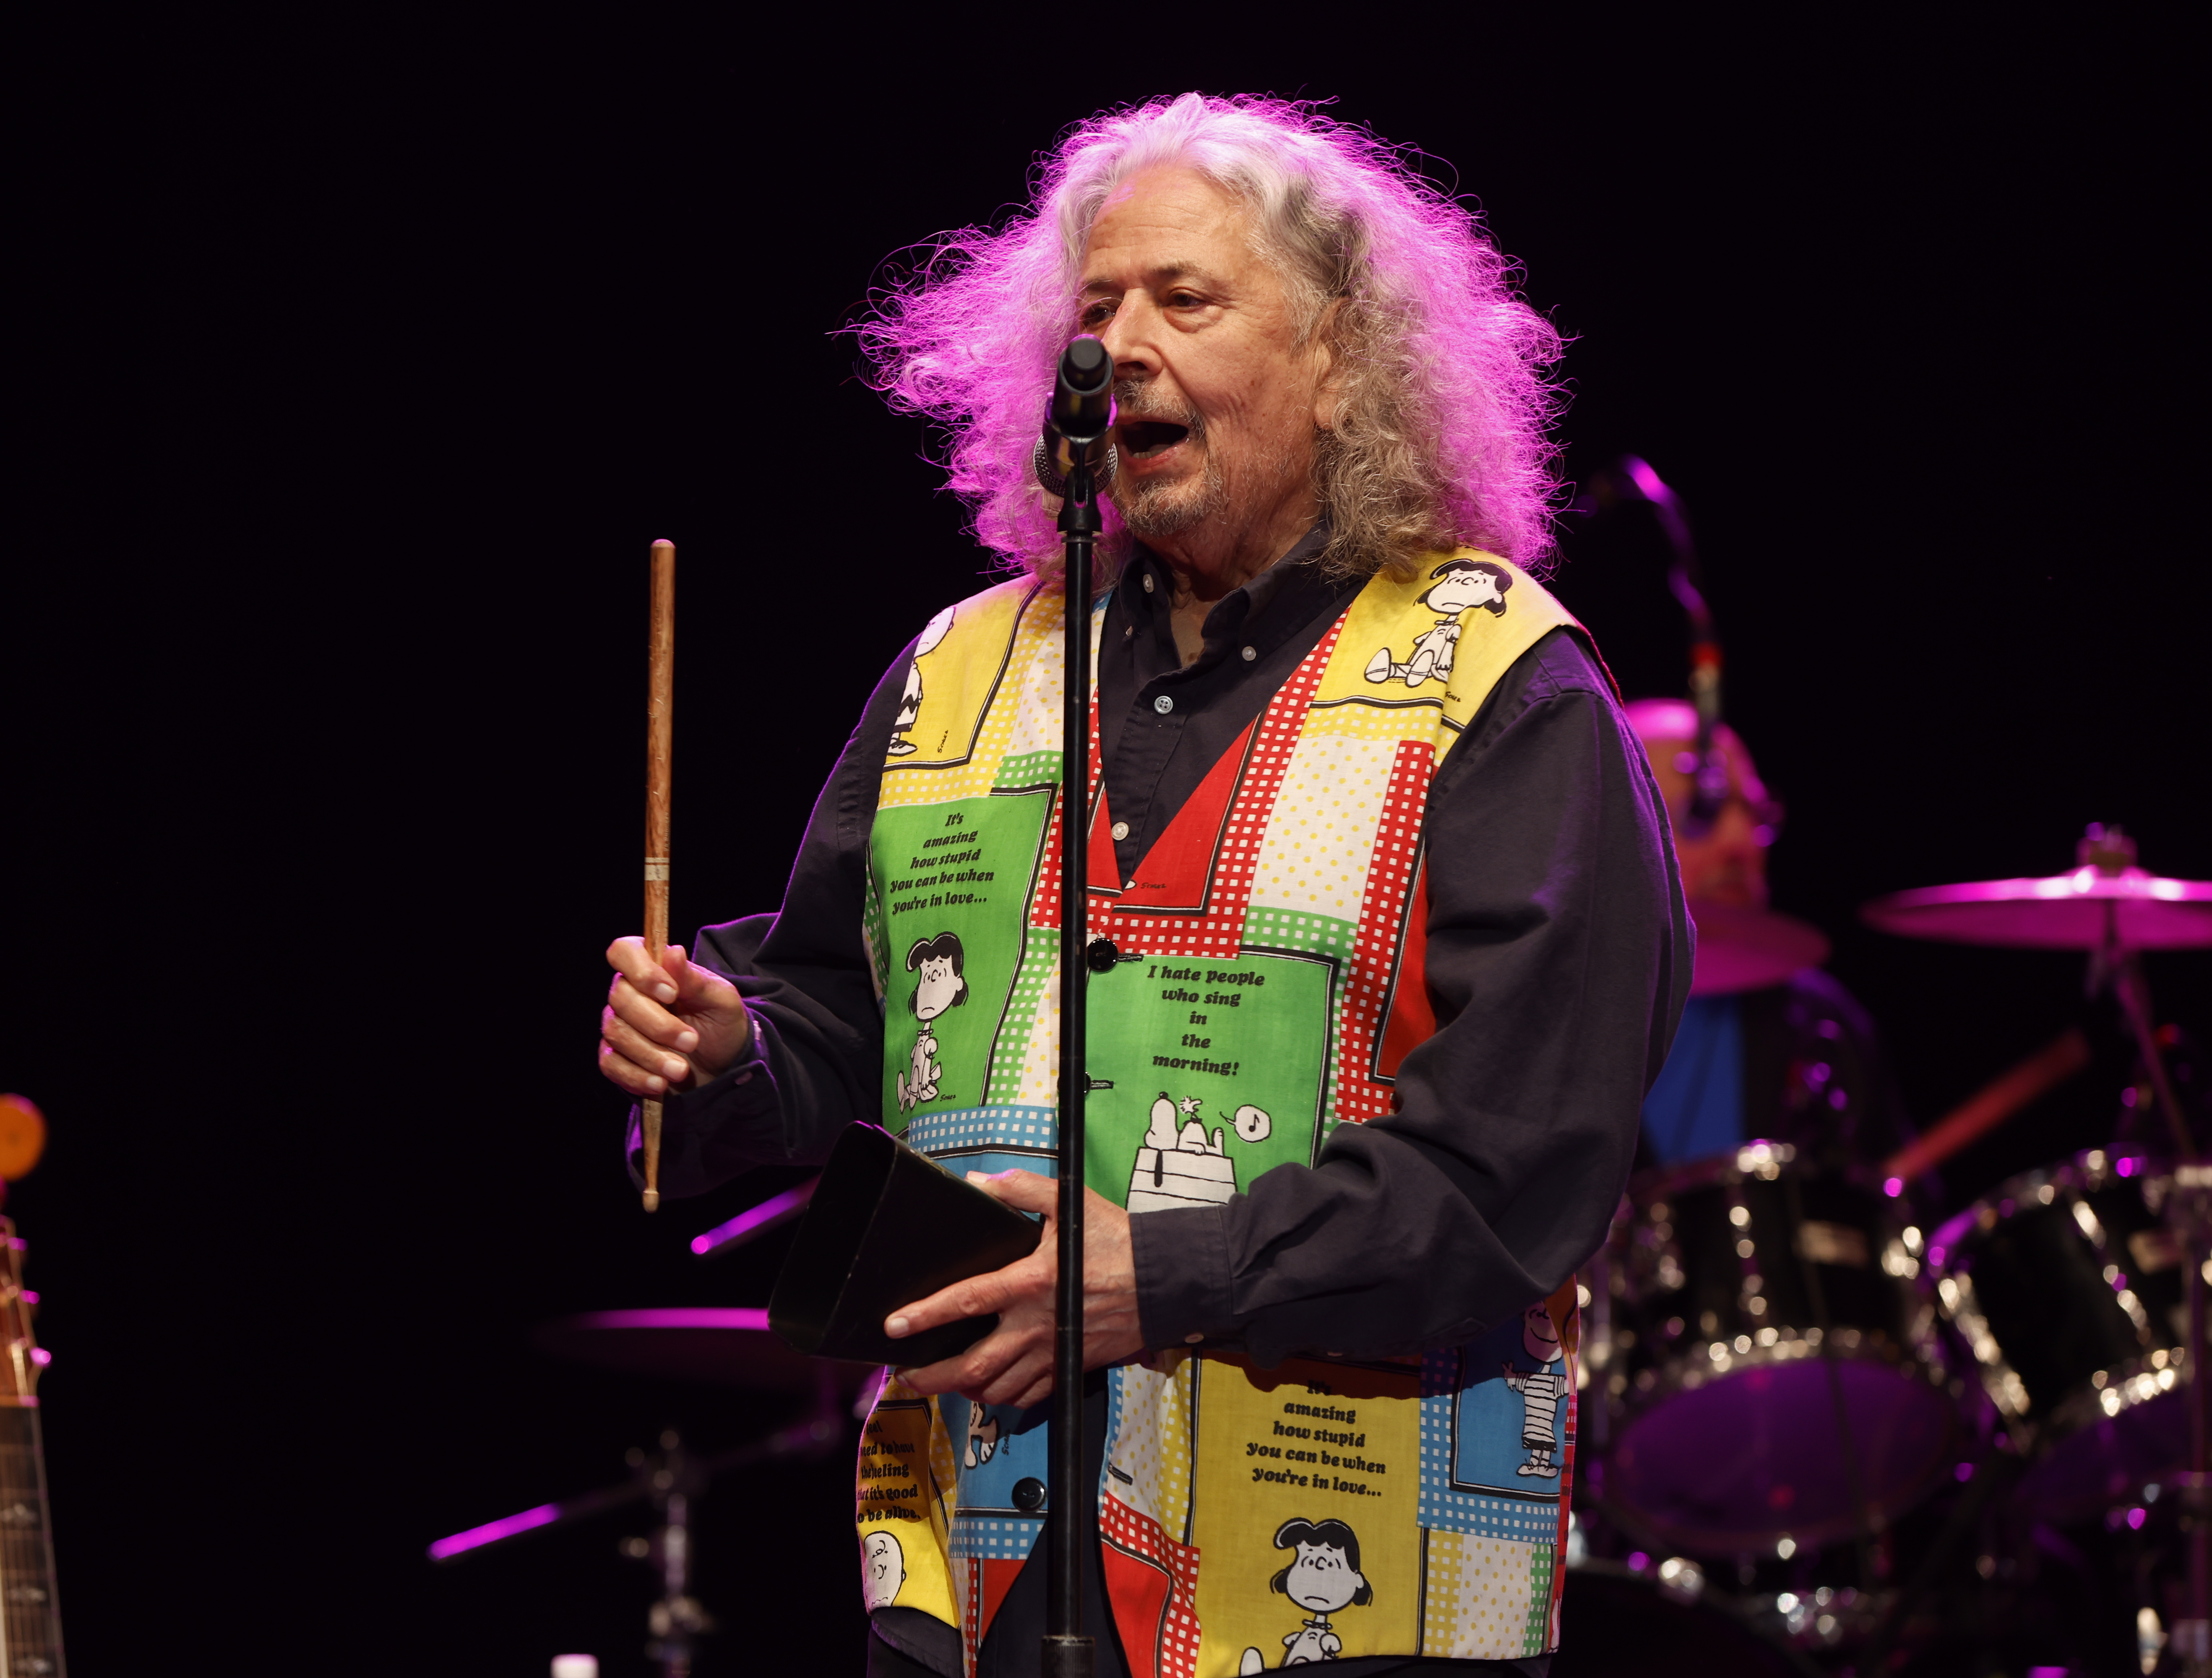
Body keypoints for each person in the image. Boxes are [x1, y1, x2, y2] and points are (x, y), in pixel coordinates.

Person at [596, 95, 1688, 1676]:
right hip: (978, 1566)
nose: (1118, 348)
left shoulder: (1498, 685)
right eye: (1096, 308)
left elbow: (1523, 1163)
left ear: (1341, 360)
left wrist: (1159, 1277)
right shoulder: (962, 669)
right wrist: (725, 1046)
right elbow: (842, 1002)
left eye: (1186, 299)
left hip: (1339, 1593)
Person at [1621, 698, 1912, 1179]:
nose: (1741, 841)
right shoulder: (1534, 1016)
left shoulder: (1822, 1021)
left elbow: (1899, 1204)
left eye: (1753, 812)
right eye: (1702, 810)